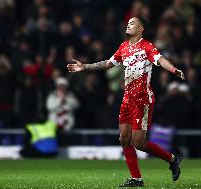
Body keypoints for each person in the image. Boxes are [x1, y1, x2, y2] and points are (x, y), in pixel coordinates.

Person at [67, 17, 185, 187]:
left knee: (139, 143)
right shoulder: (124, 47)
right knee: (124, 138)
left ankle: (172, 159)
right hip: (127, 99)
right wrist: (84, 66)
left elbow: (160, 60)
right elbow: (108, 63)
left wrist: (174, 69)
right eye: (128, 22)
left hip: (142, 99)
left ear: (141, 28)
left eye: (133, 23)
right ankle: (136, 179)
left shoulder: (146, 46)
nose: (129, 24)